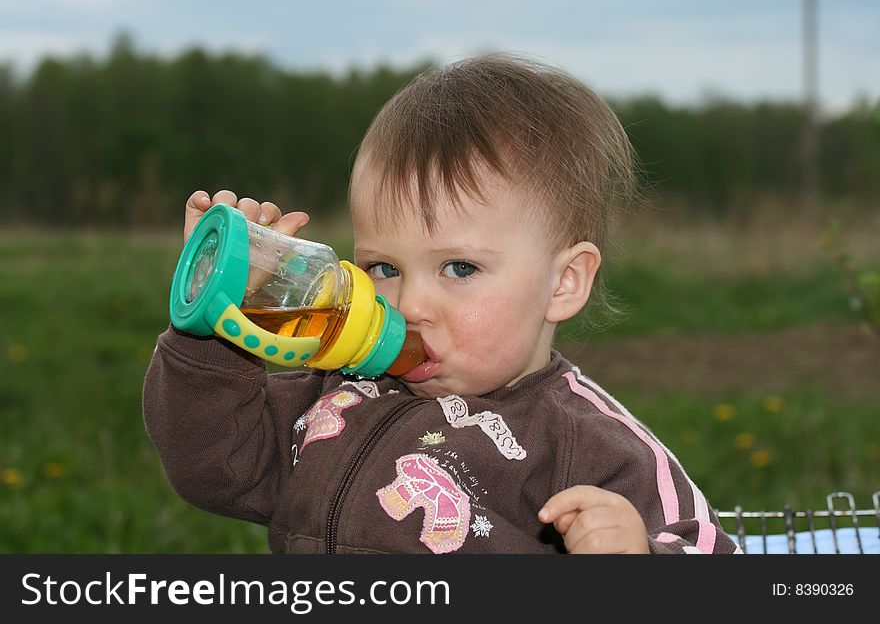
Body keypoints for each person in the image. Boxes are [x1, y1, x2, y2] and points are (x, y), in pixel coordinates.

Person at [143, 54, 740, 554]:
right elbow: (215, 468)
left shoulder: (586, 442)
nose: (411, 305)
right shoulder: (337, 390)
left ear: (564, 283)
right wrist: (214, 325)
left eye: (460, 268)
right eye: (384, 268)